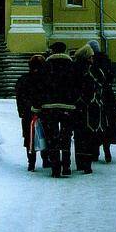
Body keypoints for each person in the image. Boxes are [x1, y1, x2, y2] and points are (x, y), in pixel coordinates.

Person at [39, 41, 78, 178]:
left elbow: (40, 86)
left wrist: (41, 103)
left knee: (52, 137)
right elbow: (76, 85)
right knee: (66, 136)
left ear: (52, 51)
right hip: (68, 106)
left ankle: (55, 168)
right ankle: (66, 166)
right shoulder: (71, 66)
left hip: (49, 107)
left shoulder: (46, 66)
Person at [87, 40, 116, 162]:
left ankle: (95, 152)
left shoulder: (91, 63)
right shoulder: (107, 61)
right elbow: (110, 77)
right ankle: (107, 151)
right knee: (108, 124)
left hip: (96, 97)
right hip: (108, 97)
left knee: (95, 123)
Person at [73, 43, 105, 174]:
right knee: (87, 135)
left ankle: (81, 162)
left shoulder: (76, 70)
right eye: (91, 56)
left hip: (81, 107)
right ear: (86, 57)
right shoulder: (89, 71)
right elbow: (100, 82)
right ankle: (87, 163)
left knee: (80, 135)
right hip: (88, 107)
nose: (93, 58)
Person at [15, 54, 48, 171]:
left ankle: (31, 162)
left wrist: (22, 111)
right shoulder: (47, 79)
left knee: (29, 137)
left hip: (28, 113)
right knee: (45, 135)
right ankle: (45, 160)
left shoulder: (23, 79)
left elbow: (19, 97)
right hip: (44, 112)